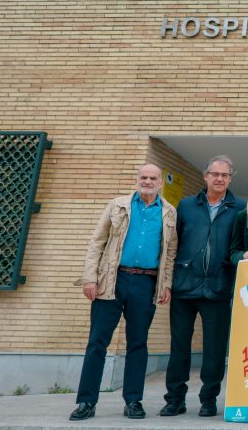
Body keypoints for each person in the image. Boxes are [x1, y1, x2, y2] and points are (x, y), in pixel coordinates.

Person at [69, 164, 177, 421]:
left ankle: (133, 401)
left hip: (145, 284)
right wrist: (90, 278)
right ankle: (86, 401)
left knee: (138, 344)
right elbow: (97, 241)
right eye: (143, 177)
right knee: (97, 342)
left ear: (160, 183)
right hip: (112, 281)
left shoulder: (169, 212)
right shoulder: (118, 205)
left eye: (153, 178)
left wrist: (166, 284)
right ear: (137, 179)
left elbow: (170, 252)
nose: (147, 181)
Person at [160, 155, 244, 418]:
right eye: (215, 174)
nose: (219, 179)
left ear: (231, 178)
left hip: (219, 287)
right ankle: (175, 399)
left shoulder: (240, 207)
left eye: (225, 175)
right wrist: (167, 282)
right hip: (185, 286)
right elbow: (172, 244)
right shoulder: (185, 205)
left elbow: (240, 246)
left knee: (215, 350)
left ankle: (209, 399)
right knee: (180, 347)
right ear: (206, 176)